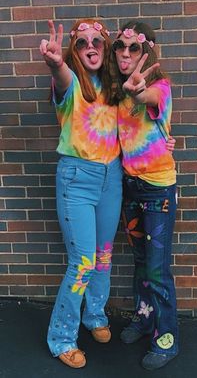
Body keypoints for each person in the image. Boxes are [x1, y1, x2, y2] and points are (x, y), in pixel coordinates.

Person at [39, 18, 123, 368]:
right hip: (78, 179)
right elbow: (60, 79)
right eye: (83, 43)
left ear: (105, 47)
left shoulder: (115, 88)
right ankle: (61, 338)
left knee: (103, 255)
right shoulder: (71, 82)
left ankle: (95, 316)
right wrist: (57, 64)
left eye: (97, 42)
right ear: (74, 50)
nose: (91, 46)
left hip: (112, 177)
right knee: (83, 262)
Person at [110, 20, 179, 371]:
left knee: (157, 268)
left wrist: (138, 89)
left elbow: (147, 96)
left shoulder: (160, 87)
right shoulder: (117, 92)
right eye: (119, 47)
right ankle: (143, 317)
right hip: (131, 187)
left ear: (147, 51)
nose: (125, 53)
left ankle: (165, 339)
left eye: (133, 48)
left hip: (157, 189)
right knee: (141, 263)